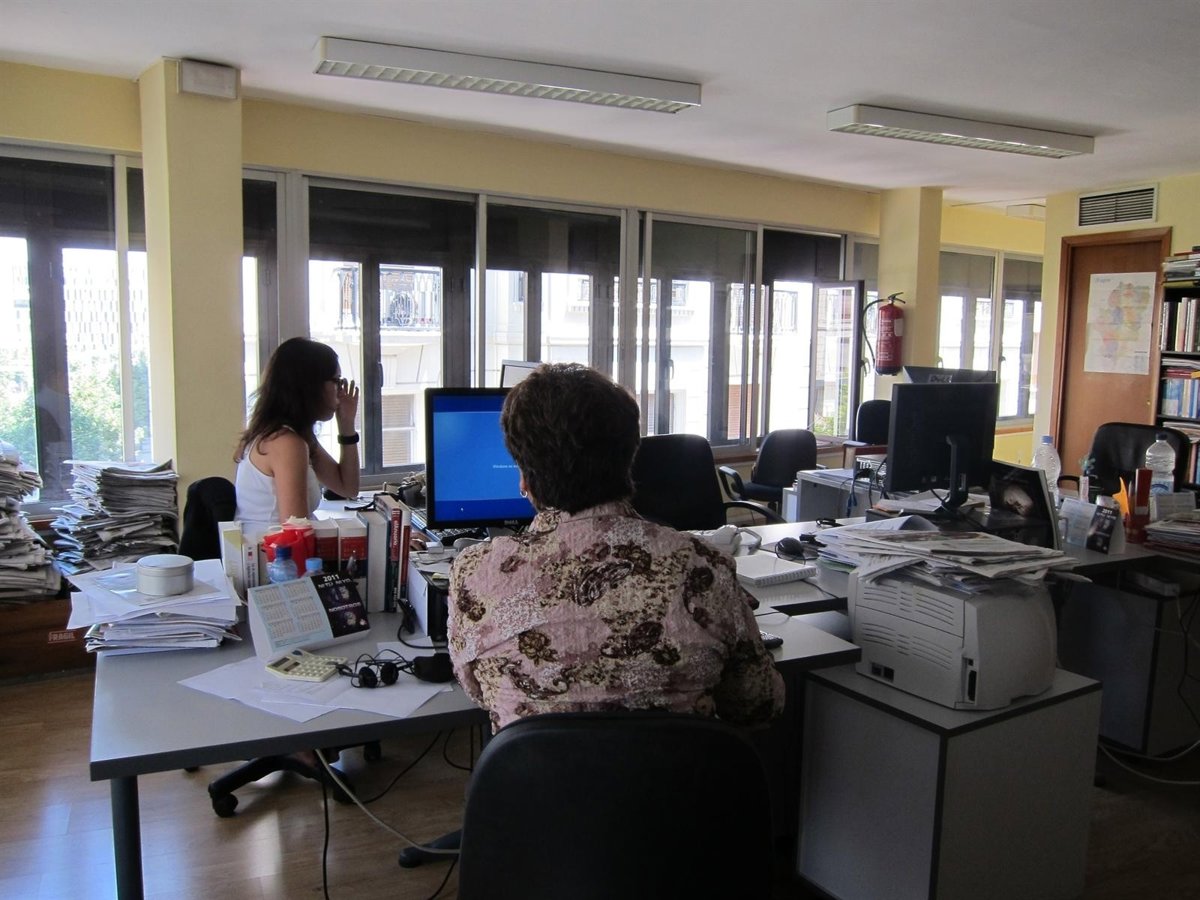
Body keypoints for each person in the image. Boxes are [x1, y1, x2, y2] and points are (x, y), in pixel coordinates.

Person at [400, 363, 784, 866]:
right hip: (681, 845)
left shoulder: (475, 574)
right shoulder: (701, 565)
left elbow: (481, 693)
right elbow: (758, 705)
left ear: (523, 478)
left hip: (535, 840)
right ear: (630, 457)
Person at [234, 337, 360, 528]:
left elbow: (347, 488)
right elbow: (296, 529)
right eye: (336, 381)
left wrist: (347, 426)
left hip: (275, 544)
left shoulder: (291, 434)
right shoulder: (286, 443)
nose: (341, 392)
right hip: (273, 546)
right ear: (311, 385)